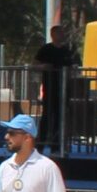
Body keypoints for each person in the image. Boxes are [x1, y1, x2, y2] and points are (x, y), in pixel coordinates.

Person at [32, 21, 77, 152]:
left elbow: (72, 65)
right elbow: (33, 65)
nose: (63, 35)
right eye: (60, 32)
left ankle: (56, 145)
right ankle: (40, 144)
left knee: (60, 116)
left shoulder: (66, 50)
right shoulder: (46, 49)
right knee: (47, 116)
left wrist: (73, 68)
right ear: (53, 34)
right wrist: (43, 67)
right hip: (50, 87)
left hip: (64, 88)